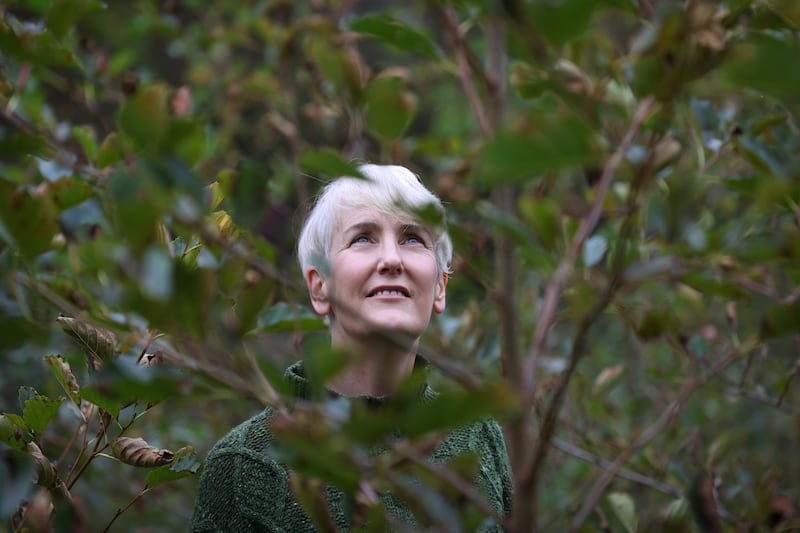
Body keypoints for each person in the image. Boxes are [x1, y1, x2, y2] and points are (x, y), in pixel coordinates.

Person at [190, 164, 512, 531]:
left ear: (439, 286)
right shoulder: (243, 465)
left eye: (412, 238)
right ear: (319, 286)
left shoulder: (479, 434)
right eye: (363, 238)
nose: (391, 259)